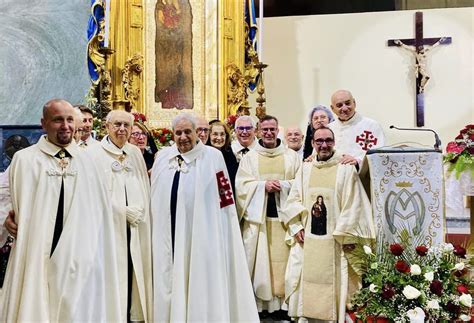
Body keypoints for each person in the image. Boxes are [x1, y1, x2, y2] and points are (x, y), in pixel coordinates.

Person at [0, 99, 120, 321]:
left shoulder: (91, 161)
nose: (65, 126)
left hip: (81, 256)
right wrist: (7, 223)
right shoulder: (25, 160)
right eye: (57, 120)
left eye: (69, 120)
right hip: (37, 253)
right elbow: (8, 199)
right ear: (43, 123)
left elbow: (101, 211)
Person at [150, 113, 258, 322]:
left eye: (187, 132)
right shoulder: (163, 157)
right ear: (173, 134)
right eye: (178, 133)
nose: (183, 137)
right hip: (167, 233)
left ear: (197, 133)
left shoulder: (212, 157)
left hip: (202, 233)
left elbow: (225, 199)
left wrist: (221, 230)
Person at [283, 126, 375, 322]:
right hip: (308, 238)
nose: (324, 145)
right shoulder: (305, 169)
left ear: (334, 142)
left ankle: (334, 315)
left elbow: (355, 204)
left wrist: (348, 234)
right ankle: (306, 314)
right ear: (312, 144)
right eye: (319, 141)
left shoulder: (345, 168)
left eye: (328, 141)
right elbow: (293, 200)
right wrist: (296, 226)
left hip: (335, 240)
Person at [87, 110, 152, 322]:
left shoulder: (135, 153)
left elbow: (144, 187)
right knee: (112, 272)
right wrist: (120, 211)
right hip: (107, 228)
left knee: (135, 272)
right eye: (117, 125)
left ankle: (134, 314)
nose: (122, 129)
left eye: (126, 125)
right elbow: (90, 195)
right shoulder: (93, 154)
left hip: (136, 226)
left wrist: (142, 210)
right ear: (106, 126)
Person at [235, 115, 301, 319]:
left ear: (277, 131)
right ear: (258, 131)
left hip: (284, 220)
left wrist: (283, 185)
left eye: (272, 129)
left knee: (285, 264)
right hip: (259, 220)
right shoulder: (250, 157)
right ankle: (261, 305)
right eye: (265, 130)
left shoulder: (291, 156)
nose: (269, 133)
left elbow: (300, 184)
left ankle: (284, 305)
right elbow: (241, 186)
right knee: (261, 263)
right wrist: (263, 186)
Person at [329, 90, 385, 167]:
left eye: (348, 103)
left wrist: (358, 161)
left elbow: (379, 154)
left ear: (354, 103)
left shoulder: (371, 126)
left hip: (359, 176)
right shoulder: (328, 129)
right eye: (339, 105)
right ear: (332, 108)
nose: (345, 108)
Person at [207, 120, 238, 191]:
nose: (219, 138)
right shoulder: (204, 153)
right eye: (215, 134)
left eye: (222, 134)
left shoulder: (230, 154)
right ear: (209, 135)